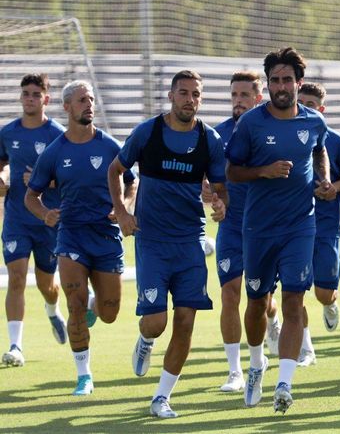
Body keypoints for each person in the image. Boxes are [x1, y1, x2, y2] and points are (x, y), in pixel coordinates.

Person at [108, 70, 228, 418]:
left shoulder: (210, 140)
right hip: (153, 242)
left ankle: (161, 397)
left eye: (196, 94)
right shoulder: (148, 132)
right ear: (171, 96)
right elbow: (116, 170)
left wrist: (218, 203)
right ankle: (145, 342)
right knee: (155, 323)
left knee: (187, 321)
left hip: (190, 242)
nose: (190, 100)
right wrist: (122, 211)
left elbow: (221, 193)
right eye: (184, 93)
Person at [225, 47, 331, 414]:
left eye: (287, 79)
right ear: (268, 84)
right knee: (255, 304)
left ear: (299, 84)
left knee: (294, 301)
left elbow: (320, 150)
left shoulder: (313, 121)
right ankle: (256, 364)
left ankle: (285, 383)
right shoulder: (251, 124)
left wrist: (325, 179)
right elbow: (233, 170)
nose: (282, 86)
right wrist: (263, 171)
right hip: (258, 228)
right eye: (275, 80)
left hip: (301, 224)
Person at [24, 80, 136, 395]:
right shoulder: (54, 152)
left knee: (110, 312)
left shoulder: (111, 146)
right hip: (71, 237)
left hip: (106, 235)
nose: (89, 105)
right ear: (67, 107)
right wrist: (44, 214)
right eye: (82, 100)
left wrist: (124, 207)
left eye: (90, 99)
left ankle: (93, 302)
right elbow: (31, 197)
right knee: (74, 307)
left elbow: (132, 183)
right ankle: (84, 376)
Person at [210, 70, 281, 393]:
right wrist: (214, 200)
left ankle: (272, 320)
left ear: (258, 98)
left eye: (244, 96)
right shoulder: (216, 136)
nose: (238, 101)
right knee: (229, 294)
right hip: (230, 229)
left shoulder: (271, 131)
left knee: (261, 300)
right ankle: (235, 370)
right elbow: (207, 179)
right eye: (233, 95)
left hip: (264, 229)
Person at [0, 73, 66, 367]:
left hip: (47, 219)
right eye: (26, 93)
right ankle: (16, 346)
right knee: (15, 278)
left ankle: (53, 310)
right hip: (16, 217)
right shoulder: (8, 133)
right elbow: (1, 165)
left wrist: (47, 182)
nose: (30, 98)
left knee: (46, 284)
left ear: (46, 99)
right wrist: (1, 179)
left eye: (36, 94)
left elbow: (72, 176)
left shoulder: (58, 135)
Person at [297, 82, 340, 366]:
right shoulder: (284, 135)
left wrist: (334, 187)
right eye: (301, 103)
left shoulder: (334, 140)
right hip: (293, 227)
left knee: (323, 292)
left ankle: (331, 303)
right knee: (293, 292)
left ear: (321, 110)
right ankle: (305, 348)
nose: (304, 109)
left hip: (325, 227)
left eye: (311, 105)